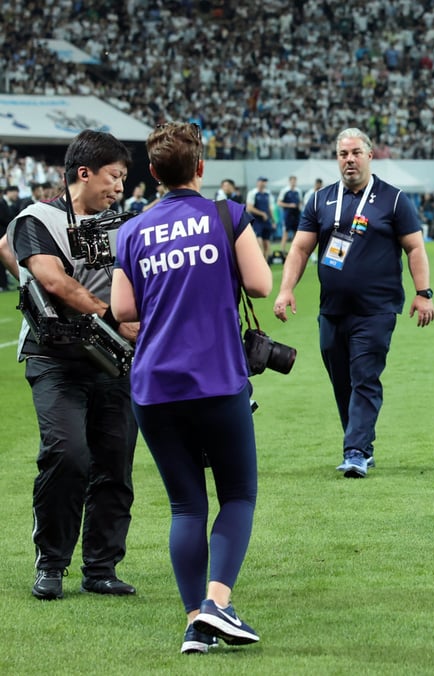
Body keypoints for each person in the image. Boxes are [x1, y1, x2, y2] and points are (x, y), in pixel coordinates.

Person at [110, 121, 271, 654]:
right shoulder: (225, 214)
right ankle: (219, 604)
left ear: (152, 173)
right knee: (239, 494)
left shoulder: (132, 230)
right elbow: (259, 284)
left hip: (154, 384)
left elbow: (122, 310)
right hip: (217, 377)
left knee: (185, 507)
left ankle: (195, 624)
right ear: (201, 168)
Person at [0, 130, 139, 600]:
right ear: (85, 173)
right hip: (55, 358)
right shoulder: (37, 219)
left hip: (115, 363)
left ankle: (101, 567)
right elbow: (54, 281)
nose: (120, 187)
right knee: (67, 454)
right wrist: (113, 317)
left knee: (115, 464)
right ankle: (52, 563)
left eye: (123, 179)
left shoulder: (125, 224)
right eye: (115, 177)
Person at [272, 128, 434, 477]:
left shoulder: (393, 199)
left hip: (375, 311)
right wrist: (286, 289)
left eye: (356, 153)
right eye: (343, 154)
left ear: (370, 155)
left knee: (364, 377)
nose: (349, 159)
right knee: (342, 381)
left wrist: (423, 293)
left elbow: (415, 248)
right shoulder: (319, 200)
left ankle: (356, 451)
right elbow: (300, 249)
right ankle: (360, 441)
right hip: (331, 310)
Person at [246, 176, 275, 260]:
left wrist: (273, 220)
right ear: (258, 182)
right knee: (259, 242)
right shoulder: (253, 193)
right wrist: (262, 213)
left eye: (265, 181)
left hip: (266, 221)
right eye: (262, 181)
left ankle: (266, 261)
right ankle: (260, 261)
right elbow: (250, 208)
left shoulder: (267, 194)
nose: (263, 183)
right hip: (257, 221)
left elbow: (270, 208)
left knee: (266, 242)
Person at [277, 175, 302, 253]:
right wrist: (289, 205)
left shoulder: (298, 191)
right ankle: (282, 250)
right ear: (290, 181)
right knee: (286, 232)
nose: (293, 182)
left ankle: (294, 250)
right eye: (292, 180)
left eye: (295, 181)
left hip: (296, 214)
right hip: (288, 215)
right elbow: (279, 203)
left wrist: (300, 206)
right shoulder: (285, 191)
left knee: (296, 232)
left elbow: (300, 201)